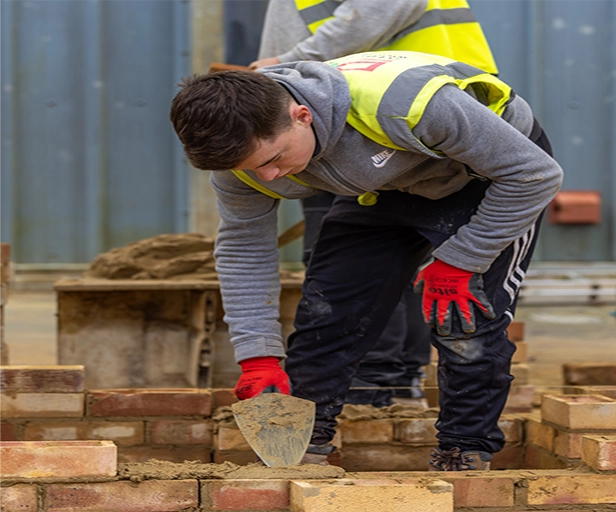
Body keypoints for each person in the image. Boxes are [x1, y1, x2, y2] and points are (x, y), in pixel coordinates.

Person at [170, 50, 562, 470]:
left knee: (464, 319)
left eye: (274, 159)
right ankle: (307, 443)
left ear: (301, 115)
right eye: (253, 168)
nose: (268, 177)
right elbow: (244, 251)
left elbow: (535, 174)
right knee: (328, 310)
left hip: (488, 178)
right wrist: (257, 356)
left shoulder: (409, 105)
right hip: (381, 185)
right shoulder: (241, 160)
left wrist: (463, 260)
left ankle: (463, 450)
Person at [249, 0, 501, 406]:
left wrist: (284, 66)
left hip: (385, 110)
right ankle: (394, 382)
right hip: (338, 112)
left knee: (359, 259)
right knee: (382, 253)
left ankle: (376, 385)